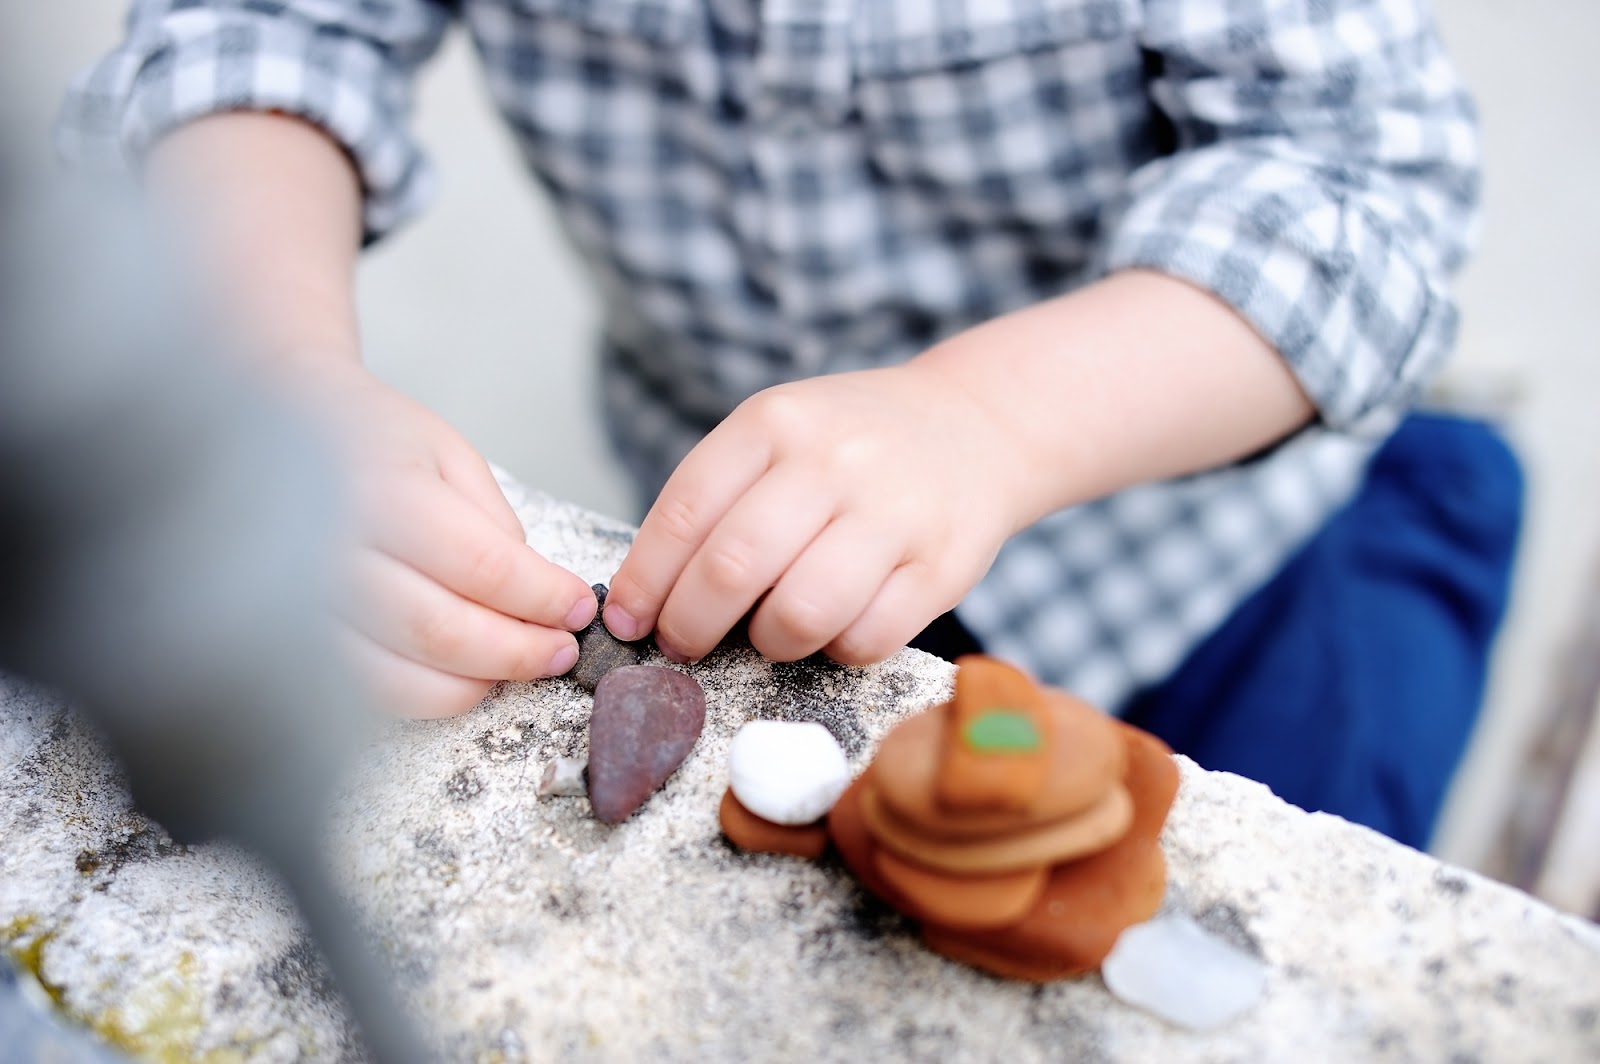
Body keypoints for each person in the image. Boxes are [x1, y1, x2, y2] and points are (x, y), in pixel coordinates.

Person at [61, 0, 1519, 848]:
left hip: (1221, 548)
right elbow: (253, 28)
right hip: (757, 567)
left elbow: (1362, 183)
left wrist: (989, 420)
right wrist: (272, 383)